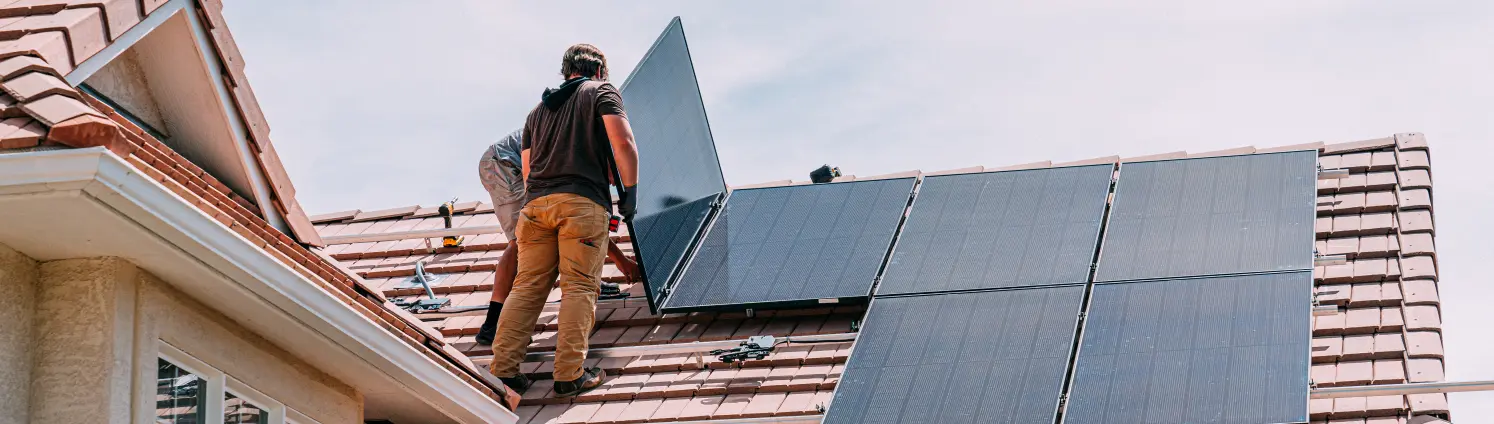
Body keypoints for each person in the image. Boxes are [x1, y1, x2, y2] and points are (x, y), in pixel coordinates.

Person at [487, 43, 639, 398]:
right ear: (600, 71)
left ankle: (503, 373)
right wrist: (629, 194)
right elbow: (624, 143)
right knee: (580, 287)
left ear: (565, 72)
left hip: (535, 209)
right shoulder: (602, 92)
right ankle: (570, 374)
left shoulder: (537, 112)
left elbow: (528, 171)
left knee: (527, 288)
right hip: (580, 205)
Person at [474, 129, 639, 346]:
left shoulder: (589, 156)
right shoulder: (581, 160)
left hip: (522, 164)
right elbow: (578, 221)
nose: (611, 183)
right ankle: (493, 324)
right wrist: (622, 261)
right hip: (505, 164)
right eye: (613, 176)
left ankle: (590, 280)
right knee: (524, 240)